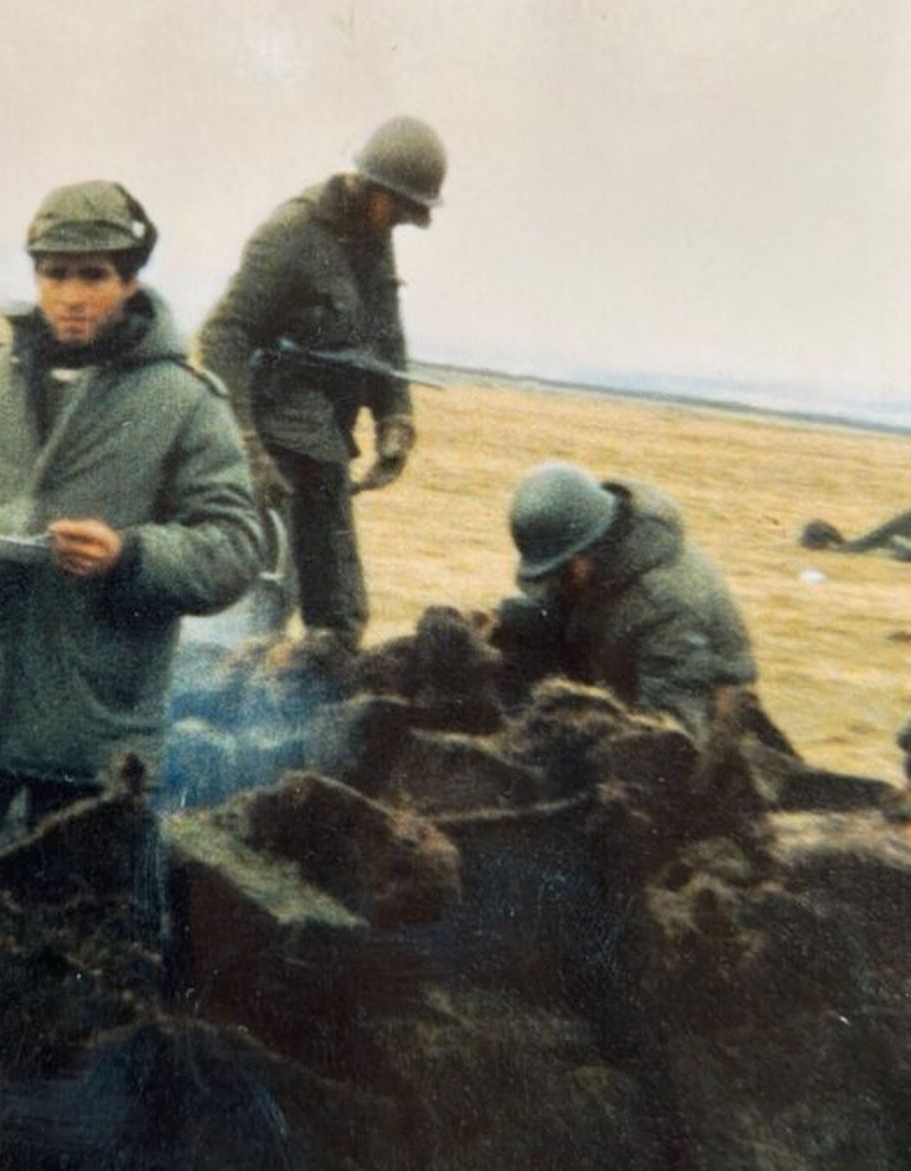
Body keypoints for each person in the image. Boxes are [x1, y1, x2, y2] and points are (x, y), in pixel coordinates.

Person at [0, 179, 264, 873]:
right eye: (55, 275)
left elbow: (234, 549)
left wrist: (129, 555)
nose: (72, 295)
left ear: (131, 280)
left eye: (94, 275)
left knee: (73, 942)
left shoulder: (186, 403)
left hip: (89, 735)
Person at [198, 116, 447, 651]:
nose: (400, 221)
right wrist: (245, 447)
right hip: (273, 450)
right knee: (258, 608)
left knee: (341, 616)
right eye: (397, 207)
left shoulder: (373, 237)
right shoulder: (291, 234)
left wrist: (395, 418)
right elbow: (223, 335)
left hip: (325, 448)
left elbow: (384, 333)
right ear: (369, 186)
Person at [491, 462, 757, 744]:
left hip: (692, 709)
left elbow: (675, 731)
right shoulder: (596, 544)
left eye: (560, 572)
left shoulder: (665, 603)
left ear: (588, 550)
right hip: (615, 667)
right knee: (519, 623)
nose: (552, 583)